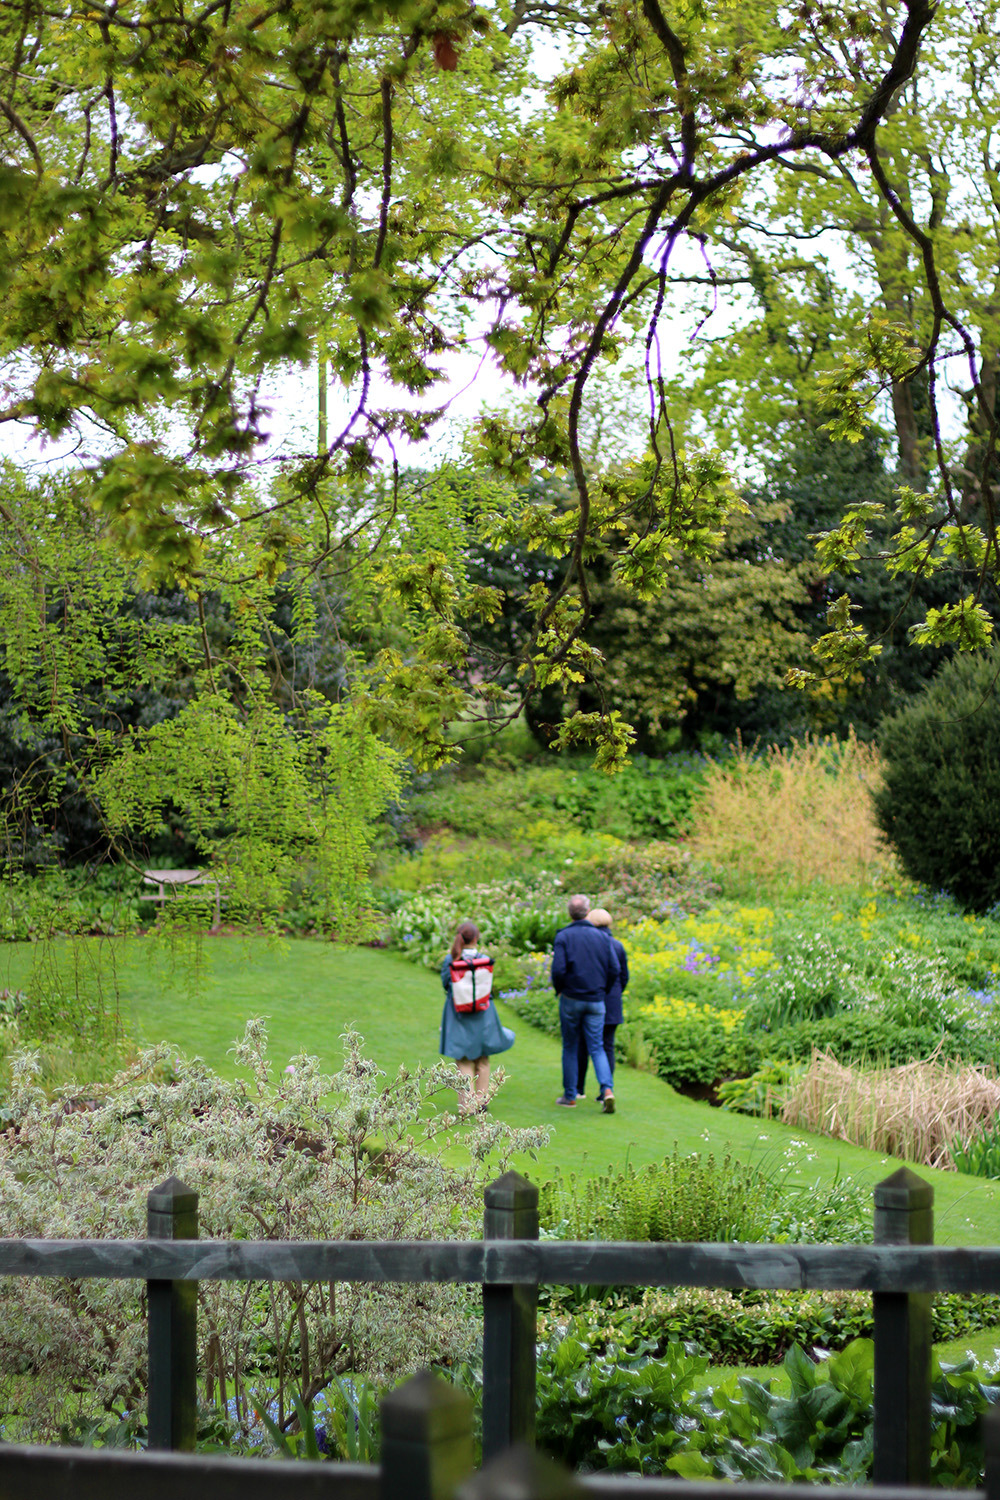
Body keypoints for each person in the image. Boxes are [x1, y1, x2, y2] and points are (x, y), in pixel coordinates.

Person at [550, 894, 618, 1112]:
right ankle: (607, 1090)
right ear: (587, 912)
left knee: (570, 1046)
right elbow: (614, 969)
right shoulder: (602, 937)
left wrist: (559, 990)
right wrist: (602, 990)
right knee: (597, 1047)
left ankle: (570, 1096)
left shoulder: (564, 936)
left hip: (571, 999)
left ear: (570, 913)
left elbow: (558, 969)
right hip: (596, 1000)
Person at [440, 920, 514, 1115]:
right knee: (482, 1058)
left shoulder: (451, 960)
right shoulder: (485, 960)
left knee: (463, 1059)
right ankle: (481, 1102)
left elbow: (446, 984)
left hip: (459, 1014)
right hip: (483, 1013)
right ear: (477, 938)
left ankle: (467, 1105)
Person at [576, 908, 628, 1103]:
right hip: (612, 1002)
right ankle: (605, 1090)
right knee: (607, 1046)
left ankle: (579, 1088)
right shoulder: (618, 945)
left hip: (592, 999)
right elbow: (624, 976)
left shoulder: (590, 944)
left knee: (583, 1045)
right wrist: (614, 992)